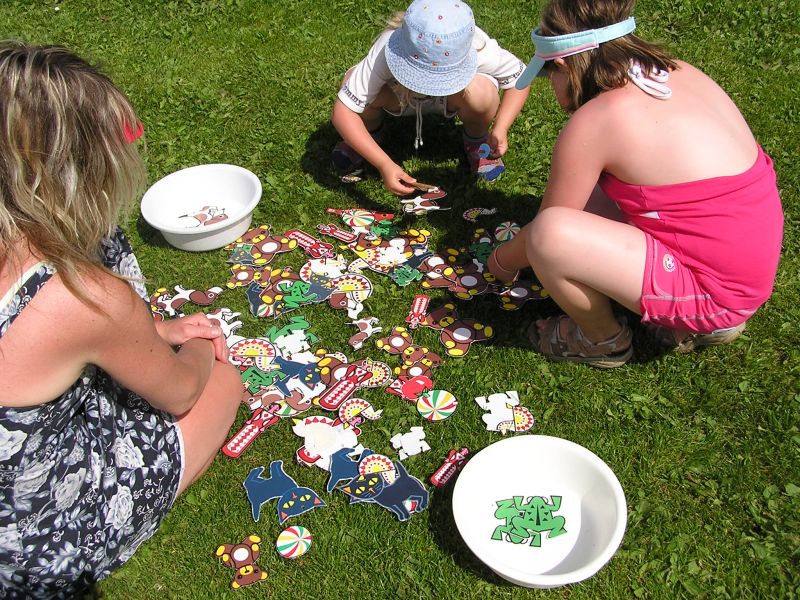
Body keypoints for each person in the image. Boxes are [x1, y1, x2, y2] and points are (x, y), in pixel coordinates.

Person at [0, 42, 242, 596]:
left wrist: (152, 332)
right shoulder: (82, 293)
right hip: (30, 549)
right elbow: (181, 392)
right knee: (224, 385)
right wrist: (202, 342)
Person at [486, 0, 783, 368]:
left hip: (716, 295)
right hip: (743, 270)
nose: (553, 90)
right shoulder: (676, 72)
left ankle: (602, 341)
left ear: (562, 64)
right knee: (585, 197)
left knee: (549, 235)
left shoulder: (597, 120)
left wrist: (501, 262)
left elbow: (545, 232)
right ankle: (699, 308)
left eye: (550, 77)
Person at [331, 0, 530, 195]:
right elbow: (343, 112)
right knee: (353, 84)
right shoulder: (387, 49)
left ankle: (477, 140)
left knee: (482, 93)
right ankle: (367, 136)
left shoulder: (478, 48)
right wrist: (383, 163)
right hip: (399, 95)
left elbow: (520, 78)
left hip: (452, 97)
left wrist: (501, 127)